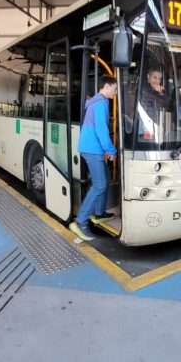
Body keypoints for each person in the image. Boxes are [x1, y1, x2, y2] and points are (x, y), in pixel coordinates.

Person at [70, 76, 118, 241]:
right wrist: (111, 150)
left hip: (92, 147)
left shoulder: (99, 102)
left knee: (102, 181)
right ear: (106, 86)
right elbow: (101, 131)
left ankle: (99, 214)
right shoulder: (99, 104)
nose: (116, 92)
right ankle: (80, 221)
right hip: (93, 149)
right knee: (100, 185)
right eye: (115, 88)